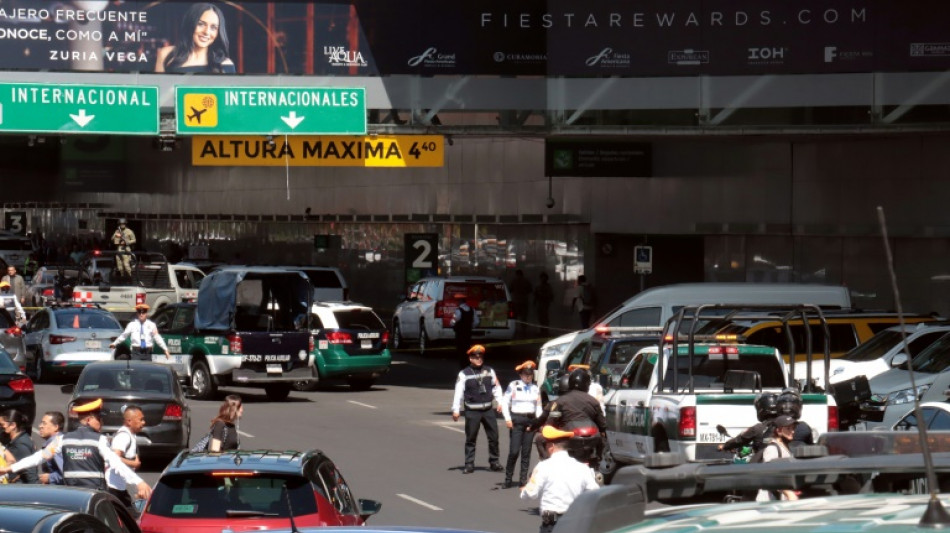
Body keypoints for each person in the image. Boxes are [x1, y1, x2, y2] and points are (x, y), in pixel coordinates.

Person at [0, 399, 152, 500]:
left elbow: (39, 457)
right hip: (94, 497)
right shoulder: (99, 440)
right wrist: (139, 482)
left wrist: (9, 469)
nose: (102, 422)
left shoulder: (63, 440)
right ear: (88, 420)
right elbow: (116, 463)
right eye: (99, 418)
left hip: (72, 496)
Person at [520, 425, 600, 533]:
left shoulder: (544, 466)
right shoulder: (582, 468)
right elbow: (594, 494)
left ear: (551, 446)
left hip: (553, 525)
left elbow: (530, 494)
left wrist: (524, 490)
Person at [532, 368, 608, 460]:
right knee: (602, 440)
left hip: (568, 439)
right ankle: (597, 465)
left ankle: (546, 464)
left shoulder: (560, 401)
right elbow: (602, 425)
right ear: (587, 385)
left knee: (540, 440)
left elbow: (551, 422)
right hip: (591, 441)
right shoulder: (593, 401)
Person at [451, 345, 504, 474]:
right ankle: (469, 464)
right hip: (472, 411)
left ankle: (494, 462)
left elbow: (496, 387)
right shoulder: (464, 374)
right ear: (470, 358)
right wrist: (456, 409)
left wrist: (500, 402)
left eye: (480, 357)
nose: (479, 359)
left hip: (487, 410)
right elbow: (458, 392)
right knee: (471, 438)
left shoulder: (489, 371)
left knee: (494, 437)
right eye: (475, 357)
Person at [155, 3, 235, 73]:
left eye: (213, 27)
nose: (206, 32)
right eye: (201, 24)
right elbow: (158, 88)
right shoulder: (165, 54)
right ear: (190, 24)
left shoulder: (226, 64)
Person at [501, 360, 542, 489]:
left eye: (530, 374)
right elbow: (504, 403)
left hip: (530, 420)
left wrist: (538, 422)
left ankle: (523, 480)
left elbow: (538, 407)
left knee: (526, 452)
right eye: (526, 374)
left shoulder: (535, 388)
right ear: (521, 374)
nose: (528, 377)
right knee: (514, 451)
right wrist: (507, 419)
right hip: (517, 420)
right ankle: (508, 478)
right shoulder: (513, 385)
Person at [108, 405, 146, 509]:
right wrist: (134, 463)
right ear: (129, 421)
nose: (143, 423)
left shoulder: (130, 435)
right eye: (141, 420)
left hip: (119, 487)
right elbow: (114, 458)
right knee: (130, 518)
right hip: (113, 488)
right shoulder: (124, 436)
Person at [718, 392, 779, 457]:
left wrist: (725, 446)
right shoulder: (786, 426)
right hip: (786, 463)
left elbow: (738, 440)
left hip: (765, 465)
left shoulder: (758, 428)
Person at [755, 414, 799, 502]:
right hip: (769, 503)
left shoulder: (785, 447)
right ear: (779, 431)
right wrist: (788, 493)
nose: (793, 431)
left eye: (793, 428)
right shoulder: (772, 449)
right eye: (788, 428)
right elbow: (770, 474)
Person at [0, 409, 37, 483]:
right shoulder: (14, 440)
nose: (0, 427)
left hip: (20, 488)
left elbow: (30, 472)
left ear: (13, 425)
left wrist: (35, 491)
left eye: (2, 425)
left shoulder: (21, 444)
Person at [450, 293, 478, 369]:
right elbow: (476, 322)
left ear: (459, 301)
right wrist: (470, 327)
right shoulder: (472, 310)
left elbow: (453, 321)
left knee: (461, 351)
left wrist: (452, 324)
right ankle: (468, 365)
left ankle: (463, 367)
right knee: (468, 350)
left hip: (459, 334)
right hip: (468, 334)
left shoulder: (458, 311)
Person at [36, 412, 64, 485]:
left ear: (56, 427)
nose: (40, 426)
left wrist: (50, 478)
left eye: (44, 423)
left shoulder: (56, 445)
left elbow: (66, 473)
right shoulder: (54, 442)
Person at [510, 269, 532, 336]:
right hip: (524, 301)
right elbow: (530, 290)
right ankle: (523, 331)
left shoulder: (513, 281)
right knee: (524, 317)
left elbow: (510, 289)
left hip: (516, 301)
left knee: (515, 317)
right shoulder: (526, 281)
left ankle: (515, 330)